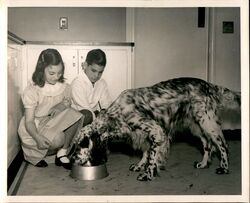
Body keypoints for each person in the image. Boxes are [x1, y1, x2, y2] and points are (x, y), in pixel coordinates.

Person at [18, 48, 83, 169]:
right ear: (41, 70)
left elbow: (67, 104)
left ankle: (62, 152)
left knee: (77, 115)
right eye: (52, 73)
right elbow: (29, 121)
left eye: (60, 73)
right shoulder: (32, 90)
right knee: (58, 139)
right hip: (36, 126)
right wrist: (37, 137)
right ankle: (36, 155)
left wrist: (61, 105)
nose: (56, 77)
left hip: (53, 122)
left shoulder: (64, 87)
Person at [71, 49, 112, 126]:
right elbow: (86, 108)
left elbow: (107, 104)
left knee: (108, 114)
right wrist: (99, 121)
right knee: (87, 115)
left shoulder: (101, 83)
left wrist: (104, 112)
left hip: (93, 114)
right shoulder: (77, 83)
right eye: (93, 70)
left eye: (100, 72)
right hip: (79, 117)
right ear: (85, 65)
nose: (96, 75)